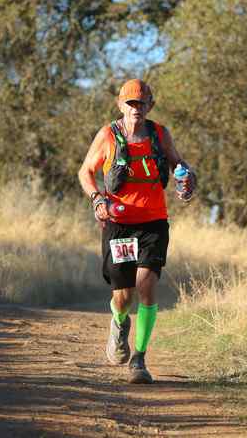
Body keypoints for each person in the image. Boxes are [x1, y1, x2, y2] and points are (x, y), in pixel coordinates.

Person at [77, 78, 196, 384]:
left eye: (141, 104)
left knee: (146, 284)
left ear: (150, 106)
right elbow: (86, 171)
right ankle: (119, 323)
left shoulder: (159, 134)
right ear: (121, 105)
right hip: (119, 223)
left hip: (154, 222)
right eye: (130, 104)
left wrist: (187, 178)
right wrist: (96, 199)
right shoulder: (108, 135)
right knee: (123, 295)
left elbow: (178, 165)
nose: (136, 109)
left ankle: (139, 359)